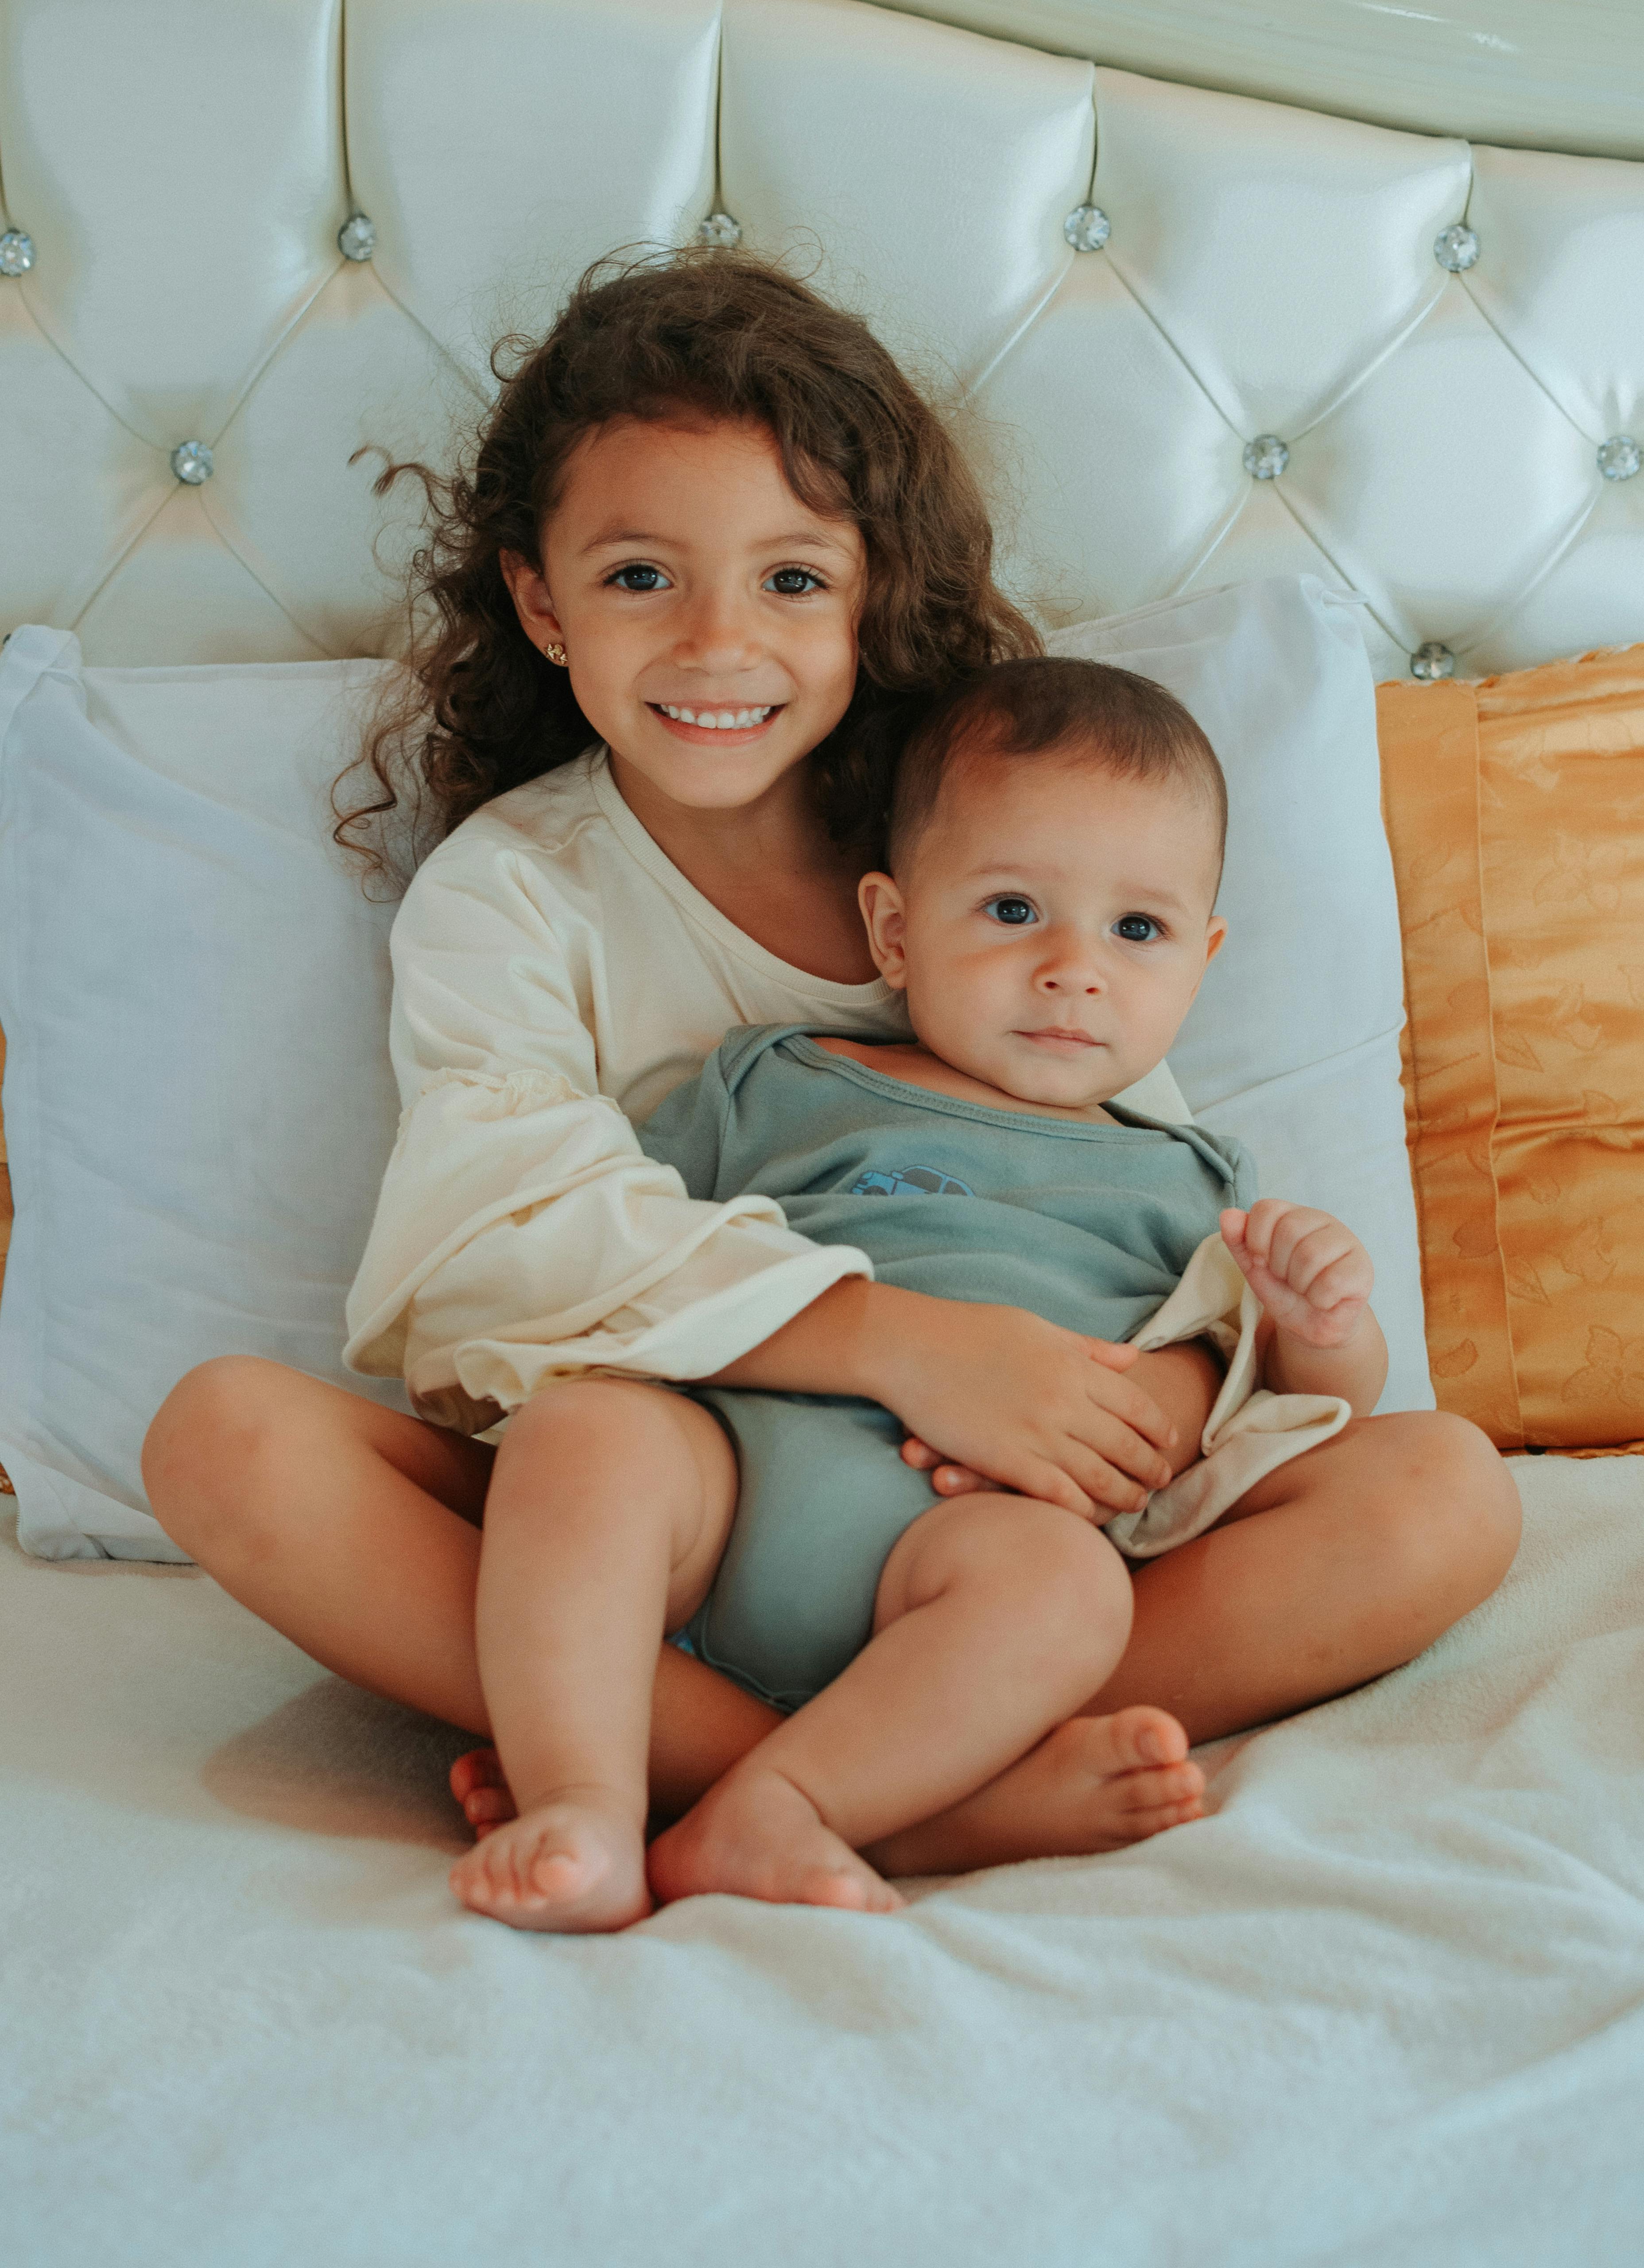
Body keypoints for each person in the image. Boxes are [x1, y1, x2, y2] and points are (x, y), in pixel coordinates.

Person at [140, 251, 1518, 1916]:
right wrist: (904, 1342)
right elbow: (504, 1231)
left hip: (988, 1526)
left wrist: (1165, 1393)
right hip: (679, 1496)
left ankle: (813, 1770)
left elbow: (1115, 1181)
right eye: (644, 574)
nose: (722, 643)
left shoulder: (976, 831)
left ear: (873, 590)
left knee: (1446, 1489)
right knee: (227, 1442)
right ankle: (900, 1801)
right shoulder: (521, 891)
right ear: (541, 600)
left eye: (793, 581)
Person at [449, 657, 1519, 1929]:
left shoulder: (1185, 1176)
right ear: (896, 930)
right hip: (727, 1491)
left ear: (1203, 958)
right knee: (587, 1432)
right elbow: (619, 1278)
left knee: (1102, 1579)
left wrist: (1323, 1328)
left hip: (966, 1561)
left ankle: (783, 1801)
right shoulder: (778, 1079)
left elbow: (1279, 1417)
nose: (1075, 970)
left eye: (1138, 931)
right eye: (1014, 910)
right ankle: (583, 1797)